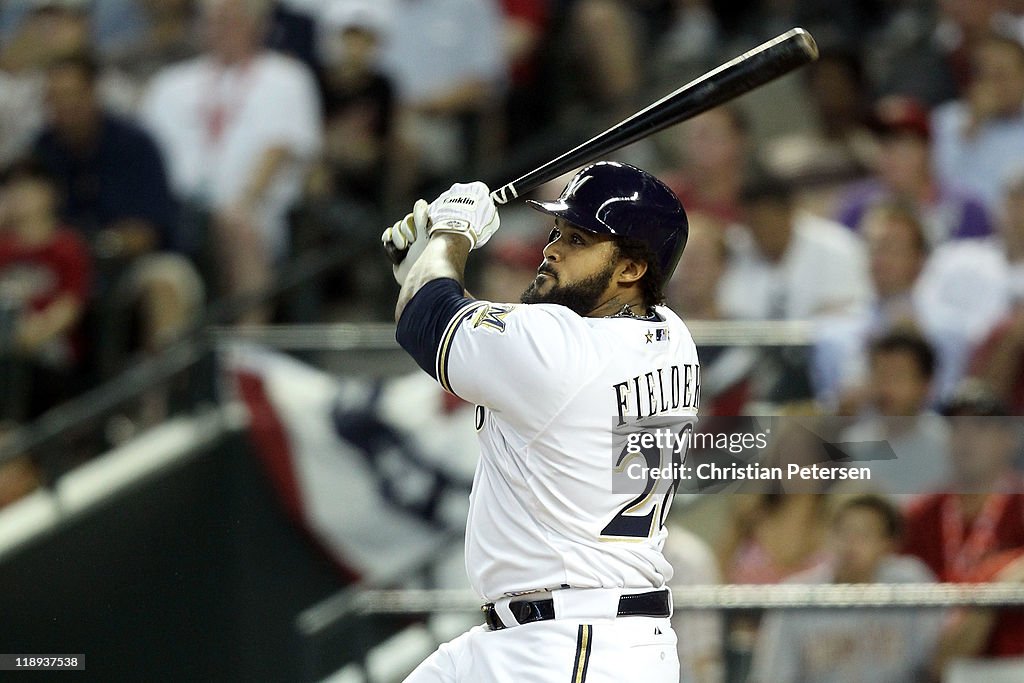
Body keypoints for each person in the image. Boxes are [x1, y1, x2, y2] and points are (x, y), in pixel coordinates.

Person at [384, 161, 697, 681]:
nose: (552, 249)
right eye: (557, 231)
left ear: (631, 270)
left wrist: (451, 233)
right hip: (573, 635)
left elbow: (425, 318)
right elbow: (434, 309)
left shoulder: (561, 346)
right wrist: (425, 266)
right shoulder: (671, 336)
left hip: (571, 645)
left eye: (578, 238)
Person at [141, 0, 323, 310]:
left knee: (236, 223)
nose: (219, 29)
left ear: (258, 25)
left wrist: (245, 201)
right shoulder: (170, 83)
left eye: (230, 20)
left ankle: (247, 341)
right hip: (175, 206)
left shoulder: (286, 77)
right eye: (211, 20)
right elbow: (144, 152)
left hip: (255, 209)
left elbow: (281, 148)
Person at [749, 494, 943, 683]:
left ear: (888, 543)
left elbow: (938, 660)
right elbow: (772, 675)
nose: (851, 542)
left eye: (864, 534)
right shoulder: (796, 594)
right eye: (843, 531)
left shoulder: (911, 583)